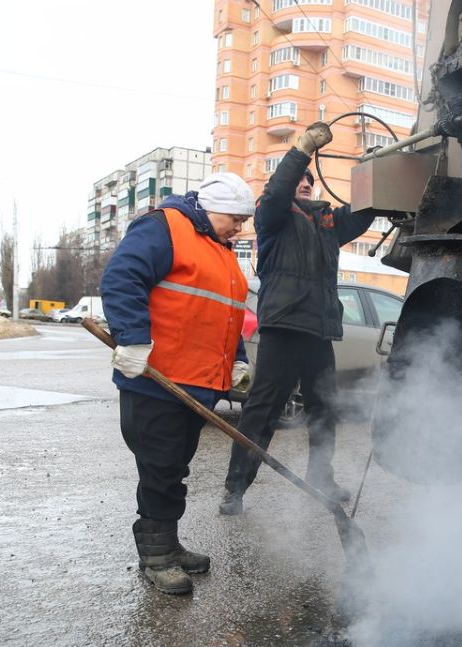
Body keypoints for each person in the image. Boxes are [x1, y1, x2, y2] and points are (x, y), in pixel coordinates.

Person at [100, 172, 255, 594]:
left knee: (174, 469)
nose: (240, 228)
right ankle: (156, 556)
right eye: (236, 219)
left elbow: (226, 313)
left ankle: (167, 543)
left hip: (196, 383)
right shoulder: (164, 227)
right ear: (214, 209)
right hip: (158, 380)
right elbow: (121, 278)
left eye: (244, 221)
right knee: (160, 468)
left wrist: (237, 359)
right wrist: (132, 339)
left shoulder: (219, 250)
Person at [218, 121, 376, 516]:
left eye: (309, 182)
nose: (305, 184)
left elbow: (362, 213)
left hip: (319, 331)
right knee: (262, 412)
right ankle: (235, 488)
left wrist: (376, 171)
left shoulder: (327, 223)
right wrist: (303, 149)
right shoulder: (273, 216)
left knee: (324, 410)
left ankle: (321, 477)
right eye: (299, 181)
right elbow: (277, 190)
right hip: (283, 328)